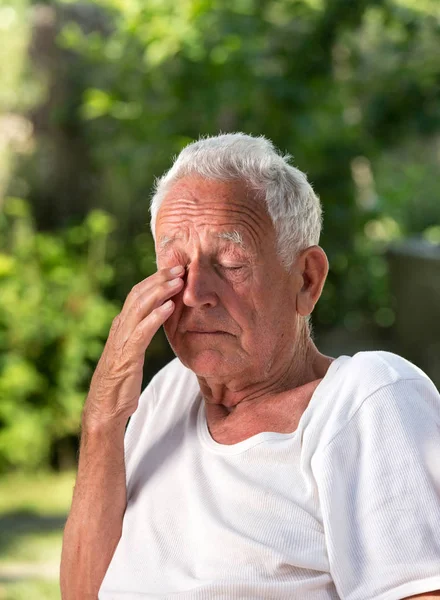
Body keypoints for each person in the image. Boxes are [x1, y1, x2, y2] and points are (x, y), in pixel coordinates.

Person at [60, 133, 440, 600]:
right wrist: (102, 418)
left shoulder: (367, 398)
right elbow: (82, 592)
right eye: (175, 263)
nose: (195, 292)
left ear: (307, 280)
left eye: (232, 263)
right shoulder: (166, 395)